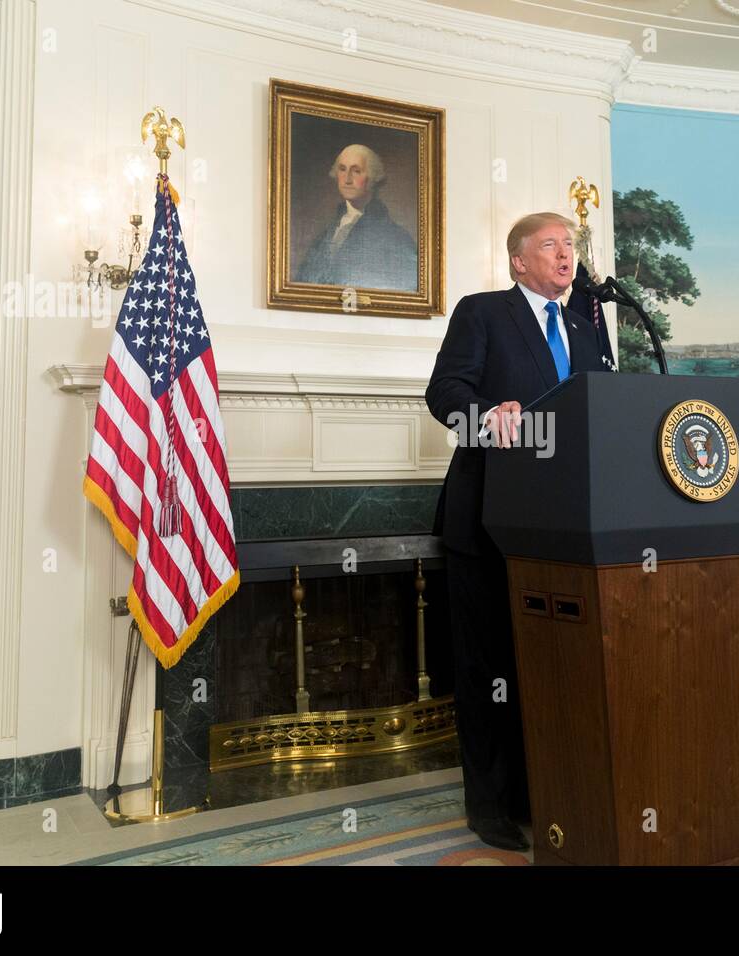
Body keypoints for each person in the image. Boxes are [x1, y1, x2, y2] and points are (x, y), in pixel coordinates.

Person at [424, 212, 608, 851]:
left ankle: (546, 793)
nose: (566, 254)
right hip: (487, 518)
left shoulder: (587, 326)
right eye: (551, 245)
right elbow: (444, 392)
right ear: (519, 262)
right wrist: (483, 415)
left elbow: (603, 410)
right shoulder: (483, 312)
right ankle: (491, 806)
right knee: (489, 668)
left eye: (571, 244)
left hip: (567, 527)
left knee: (552, 666)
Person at [294, 144, 417, 291]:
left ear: (372, 178)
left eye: (356, 171)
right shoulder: (326, 234)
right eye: (342, 169)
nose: (347, 179)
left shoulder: (396, 238)